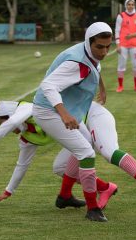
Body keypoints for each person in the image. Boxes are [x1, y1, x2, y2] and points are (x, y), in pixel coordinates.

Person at [33, 22, 112, 222]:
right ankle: (92, 209)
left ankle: (65, 196)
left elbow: (97, 65)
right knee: (85, 152)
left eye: (108, 46)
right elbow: (48, 85)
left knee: (80, 151)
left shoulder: (87, 53)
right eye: (99, 47)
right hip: (48, 111)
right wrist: (64, 114)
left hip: (62, 111)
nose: (104, 51)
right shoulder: (77, 64)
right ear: (88, 42)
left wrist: (101, 87)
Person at [0, 101, 114, 208]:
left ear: (12, 115)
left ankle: (89, 204)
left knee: (108, 153)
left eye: (3, 124)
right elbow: (22, 165)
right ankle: (104, 188)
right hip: (78, 140)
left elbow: (12, 122)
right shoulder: (26, 137)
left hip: (86, 125)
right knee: (59, 167)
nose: (8, 129)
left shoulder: (29, 108)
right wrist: (8, 191)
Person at [115, 0, 136, 93]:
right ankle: (120, 86)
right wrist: (118, 44)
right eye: (129, 4)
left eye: (132, 4)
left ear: (134, 6)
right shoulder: (121, 16)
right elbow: (117, 30)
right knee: (121, 65)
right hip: (123, 45)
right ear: (126, 5)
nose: (130, 6)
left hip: (134, 45)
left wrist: (134, 35)